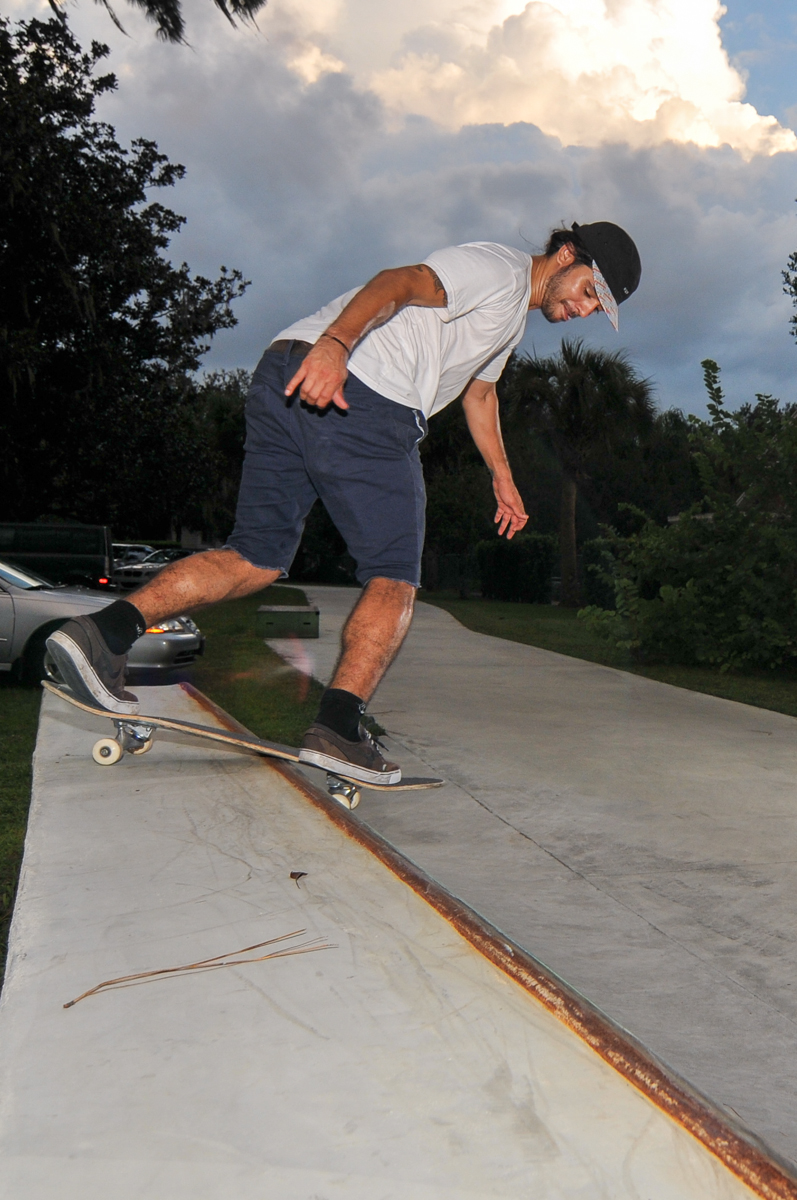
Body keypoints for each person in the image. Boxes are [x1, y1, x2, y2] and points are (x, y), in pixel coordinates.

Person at [47, 221, 641, 785]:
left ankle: (100, 635)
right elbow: (399, 282)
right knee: (394, 575)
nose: (583, 310)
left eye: (597, 309)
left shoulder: (509, 316)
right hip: (363, 393)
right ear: (567, 255)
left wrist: (503, 477)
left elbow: (480, 393)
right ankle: (337, 726)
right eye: (590, 292)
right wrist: (338, 346)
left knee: (254, 558)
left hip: (285, 377)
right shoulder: (499, 270)